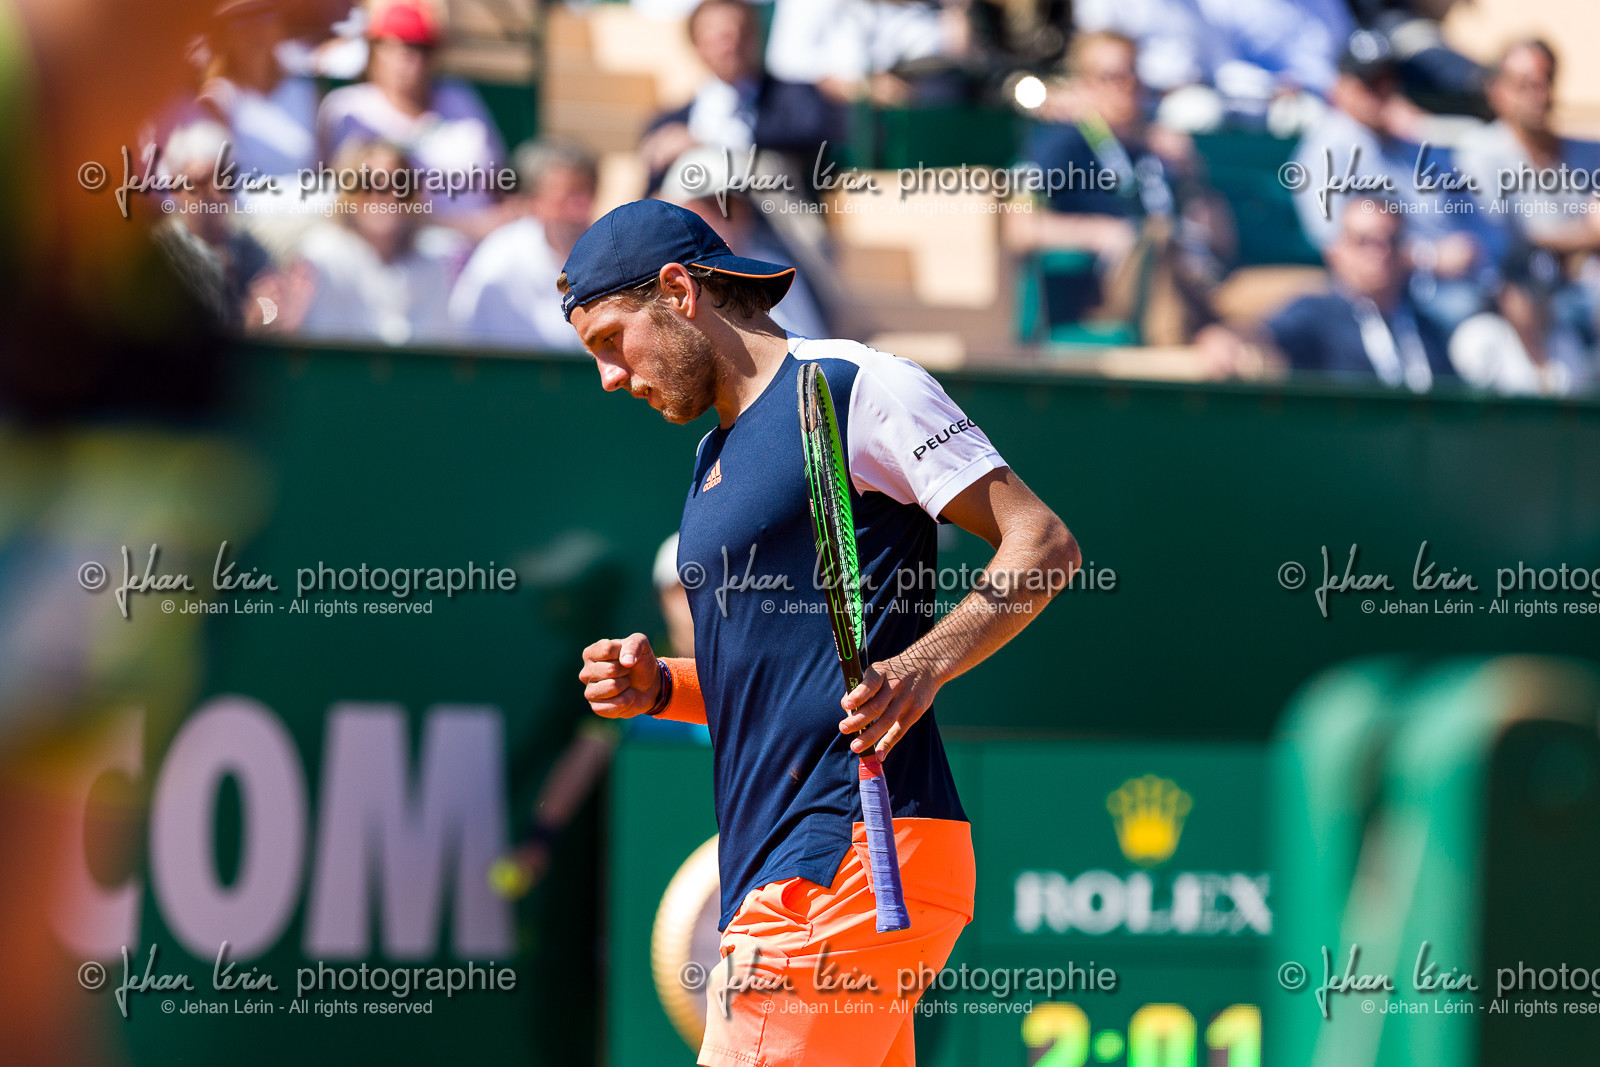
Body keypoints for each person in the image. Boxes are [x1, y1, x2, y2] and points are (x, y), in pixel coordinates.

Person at [566, 199, 1080, 1066]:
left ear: (679, 291)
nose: (612, 377)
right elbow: (778, 688)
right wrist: (662, 688)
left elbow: (1044, 544)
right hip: (793, 862)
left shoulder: (850, 385)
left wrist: (923, 666)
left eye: (612, 340)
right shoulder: (712, 456)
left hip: (846, 852)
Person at [1007, 31, 1231, 343]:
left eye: (1133, 76)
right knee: (1156, 242)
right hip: (1108, 293)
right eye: (1112, 76)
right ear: (1084, 84)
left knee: (1299, 295)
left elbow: (1222, 240)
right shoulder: (1061, 142)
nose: (1127, 87)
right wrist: (1103, 233)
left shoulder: (1157, 147)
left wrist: (1191, 172)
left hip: (1199, 282)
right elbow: (1019, 228)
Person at [1290, 33, 1492, 332]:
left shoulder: (1408, 137)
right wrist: (1430, 258)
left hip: (1456, 280)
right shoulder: (1330, 144)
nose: (1380, 92)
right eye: (1369, 84)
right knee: (1470, 315)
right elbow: (1337, 244)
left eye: (1387, 82)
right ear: (1340, 88)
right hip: (1394, 290)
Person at [1455, 40, 1600, 389]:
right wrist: (1584, 236)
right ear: (1498, 92)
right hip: (1513, 299)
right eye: (1524, 84)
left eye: (1545, 81)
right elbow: (1506, 244)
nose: (1539, 94)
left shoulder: (1589, 153)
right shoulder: (1478, 152)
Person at [316, 0, 506, 230]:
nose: (407, 58)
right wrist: (468, 227)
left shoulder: (460, 99)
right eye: (395, 45)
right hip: (396, 249)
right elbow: (339, 202)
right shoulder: (346, 109)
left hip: (478, 246)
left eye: (420, 47)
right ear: (373, 50)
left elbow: (501, 184)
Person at [640, 0, 842, 190]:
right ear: (697, 45)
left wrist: (707, 141)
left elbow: (807, 136)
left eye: (741, 33)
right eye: (720, 37)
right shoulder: (670, 123)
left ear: (755, 37)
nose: (732, 45)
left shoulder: (796, 99)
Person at [276, 139, 462, 345]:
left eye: (399, 185)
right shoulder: (321, 258)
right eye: (368, 185)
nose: (383, 196)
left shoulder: (433, 264)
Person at [1261, 195, 1457, 389]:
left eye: (1392, 241)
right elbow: (1260, 339)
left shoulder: (1428, 329)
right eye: (1364, 241)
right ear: (1336, 252)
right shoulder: (1315, 315)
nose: (1381, 252)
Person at [657, 146, 829, 338]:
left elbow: (808, 349)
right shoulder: (651, 270)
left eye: (733, 202)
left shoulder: (771, 271)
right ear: (676, 206)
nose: (725, 214)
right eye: (709, 203)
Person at [449, 140, 598, 352]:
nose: (578, 206)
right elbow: (467, 333)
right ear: (535, 199)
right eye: (566, 194)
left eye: (586, 192)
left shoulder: (607, 253)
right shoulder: (500, 255)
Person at [152, 120, 274, 330]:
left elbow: (270, 309)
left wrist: (275, 309)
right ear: (174, 186)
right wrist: (245, 325)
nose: (217, 194)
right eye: (202, 182)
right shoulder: (160, 257)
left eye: (224, 179)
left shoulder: (248, 247)